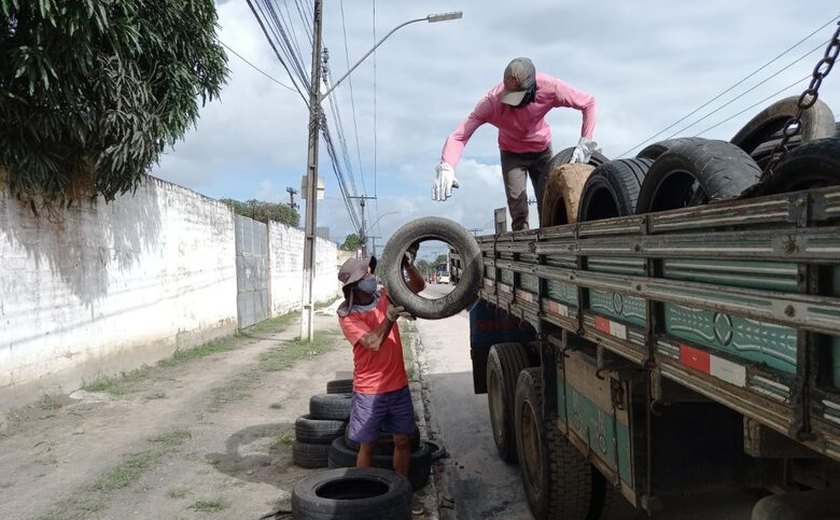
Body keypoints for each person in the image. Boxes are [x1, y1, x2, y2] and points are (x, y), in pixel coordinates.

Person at [432, 56, 598, 231]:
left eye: (518, 97)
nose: (513, 103)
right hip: (512, 154)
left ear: (533, 87)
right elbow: (459, 136)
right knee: (517, 205)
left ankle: (549, 244)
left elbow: (588, 103)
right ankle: (524, 246)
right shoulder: (492, 102)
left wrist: (585, 140)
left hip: (541, 151)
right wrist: (447, 166)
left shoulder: (551, 87)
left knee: (547, 201)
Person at [336, 250, 425, 477]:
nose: (371, 275)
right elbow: (373, 342)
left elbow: (418, 286)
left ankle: (401, 491)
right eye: (366, 274)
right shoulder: (348, 316)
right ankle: (365, 496)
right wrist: (390, 317)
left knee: (403, 440)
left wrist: (409, 265)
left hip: (398, 385)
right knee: (368, 445)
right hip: (369, 390)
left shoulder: (385, 296)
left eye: (369, 271)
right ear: (355, 285)